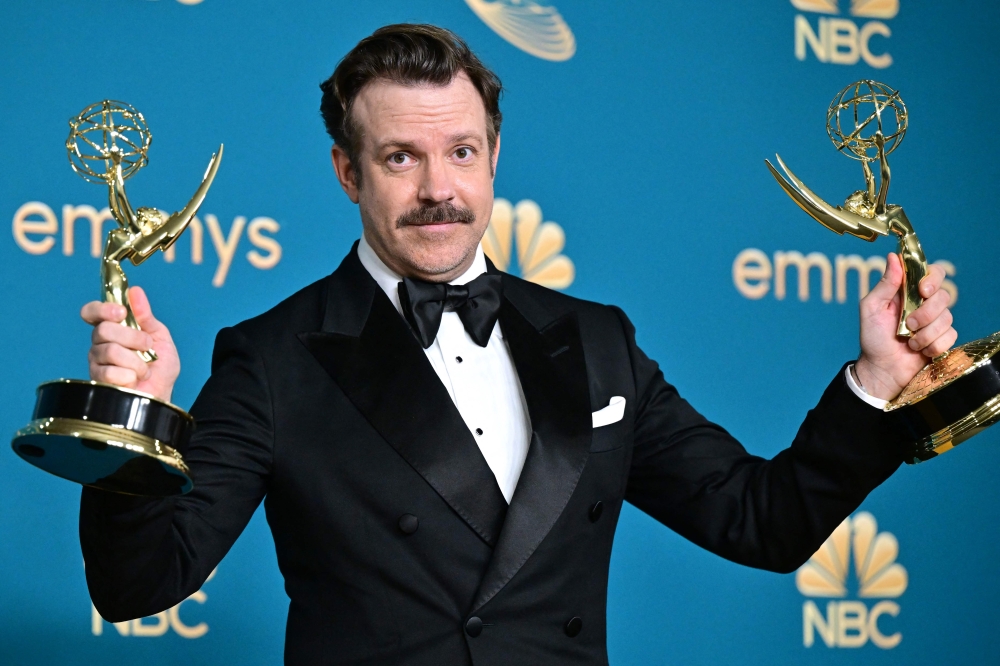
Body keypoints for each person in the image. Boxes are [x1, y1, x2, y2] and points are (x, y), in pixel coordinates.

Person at [78, 24, 957, 666]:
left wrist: (875, 383)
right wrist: (132, 419)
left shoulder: (598, 340)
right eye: (400, 158)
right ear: (348, 172)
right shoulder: (273, 356)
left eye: (461, 151)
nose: (439, 189)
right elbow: (139, 584)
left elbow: (761, 521)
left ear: (495, 154)